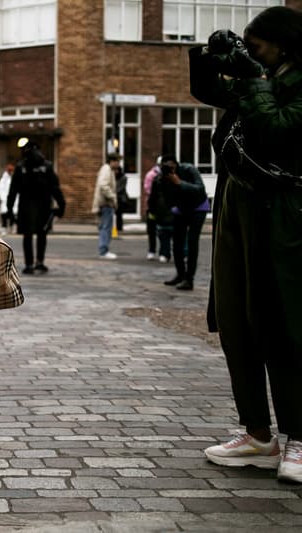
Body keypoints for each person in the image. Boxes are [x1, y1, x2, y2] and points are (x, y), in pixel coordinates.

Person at [189, 6, 302, 483]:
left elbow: (276, 129)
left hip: (282, 216)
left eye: (255, 45)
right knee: (238, 321)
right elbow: (207, 90)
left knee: (285, 323)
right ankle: (258, 433)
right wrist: (209, 55)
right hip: (238, 209)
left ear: (283, 46)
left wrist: (254, 74)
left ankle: (299, 438)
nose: (248, 52)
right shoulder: (258, 75)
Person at [7, 142, 65, 274]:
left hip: (26, 206)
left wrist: (10, 209)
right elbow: (55, 189)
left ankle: (29, 264)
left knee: (28, 236)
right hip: (44, 205)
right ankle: (40, 262)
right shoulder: (47, 166)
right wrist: (62, 205)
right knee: (42, 234)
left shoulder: (21, 167)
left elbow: (13, 191)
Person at [159, 155, 208, 291]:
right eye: (167, 167)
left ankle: (189, 279)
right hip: (182, 210)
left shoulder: (189, 169)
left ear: (177, 164)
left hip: (198, 208)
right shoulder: (164, 178)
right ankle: (180, 275)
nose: (170, 170)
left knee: (192, 242)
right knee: (177, 243)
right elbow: (167, 198)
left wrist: (179, 182)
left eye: (172, 167)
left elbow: (199, 189)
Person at [92, 153, 120, 259]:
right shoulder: (107, 169)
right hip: (106, 204)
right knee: (106, 228)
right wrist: (112, 197)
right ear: (112, 161)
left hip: (104, 204)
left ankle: (104, 250)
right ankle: (104, 251)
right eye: (117, 161)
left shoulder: (108, 170)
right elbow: (103, 185)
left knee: (104, 227)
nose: (118, 164)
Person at [146, 163, 175, 264]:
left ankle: (165, 253)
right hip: (163, 210)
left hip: (165, 210)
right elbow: (152, 196)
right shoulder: (158, 180)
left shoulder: (160, 180)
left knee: (164, 233)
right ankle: (164, 253)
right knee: (164, 233)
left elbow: (152, 196)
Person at [143, 156, 161, 260]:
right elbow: (147, 189)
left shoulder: (167, 175)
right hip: (153, 207)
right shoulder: (151, 175)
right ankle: (152, 251)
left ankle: (164, 252)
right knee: (152, 230)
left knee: (165, 231)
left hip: (164, 208)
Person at [0, 162, 17, 235]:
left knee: (12, 214)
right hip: (5, 199)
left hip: (12, 199)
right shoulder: (4, 179)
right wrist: (3, 198)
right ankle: (4, 228)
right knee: (4, 215)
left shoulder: (13, 178)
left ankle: (11, 227)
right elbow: (1, 189)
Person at [115, 165, 128, 235]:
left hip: (120, 198)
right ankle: (114, 227)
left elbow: (121, 188)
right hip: (114, 197)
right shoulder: (114, 177)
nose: (115, 172)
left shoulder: (124, 178)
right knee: (115, 213)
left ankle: (119, 227)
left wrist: (114, 192)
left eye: (117, 170)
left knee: (119, 213)